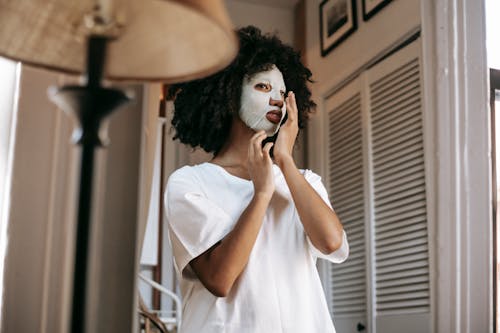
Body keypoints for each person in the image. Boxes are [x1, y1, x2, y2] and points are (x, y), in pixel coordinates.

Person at [164, 26, 349, 333]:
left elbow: (331, 243)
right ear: (228, 92)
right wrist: (262, 194)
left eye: (281, 92)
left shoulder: (303, 181)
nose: (276, 99)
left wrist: (285, 162)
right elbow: (220, 278)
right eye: (263, 87)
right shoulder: (189, 183)